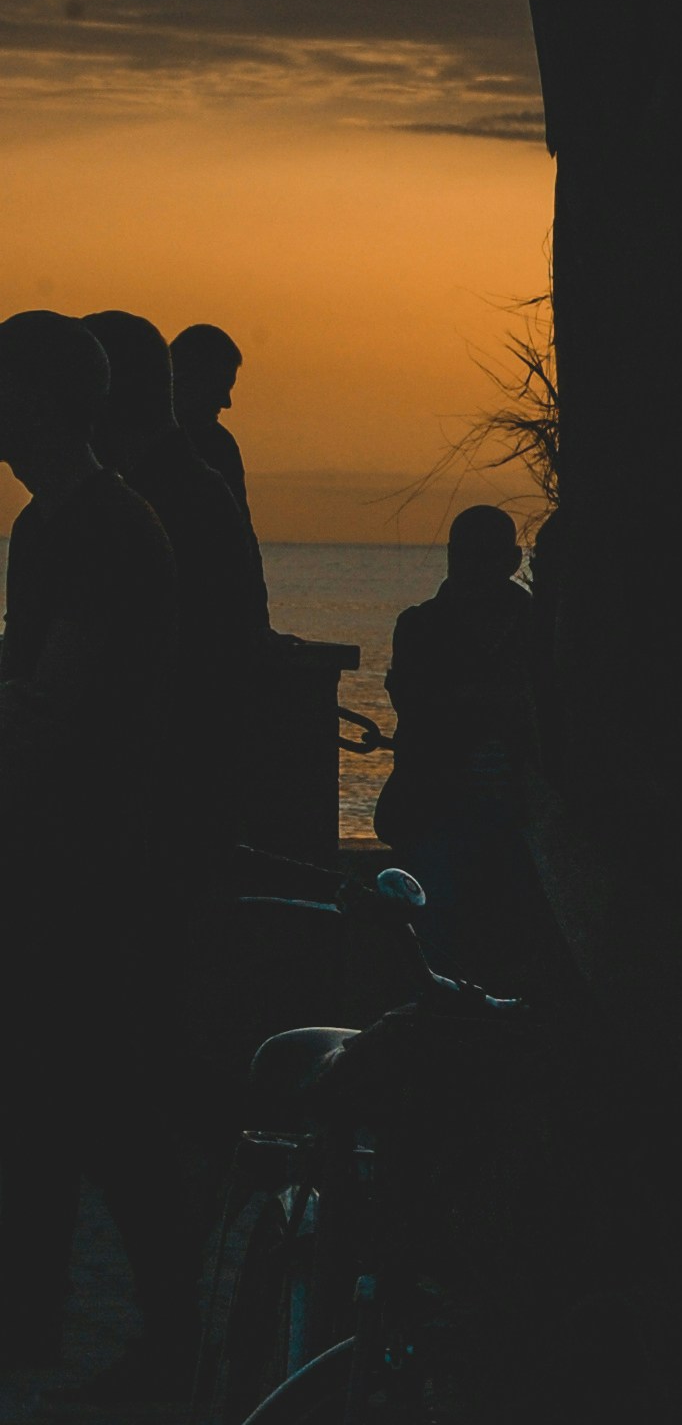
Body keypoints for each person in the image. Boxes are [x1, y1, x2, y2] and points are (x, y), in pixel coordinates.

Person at [0, 312, 202, 1388]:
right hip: (60, 865)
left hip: (88, 870)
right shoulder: (53, 527)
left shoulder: (101, 531)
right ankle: (98, 1338)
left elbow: (49, 707)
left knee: (93, 1112)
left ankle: (174, 1339)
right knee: (67, 1111)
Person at [80, 311, 271, 877]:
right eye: (221, 387)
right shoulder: (188, 467)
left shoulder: (178, 472)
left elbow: (242, 548)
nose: (227, 403)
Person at [378, 506, 548, 991]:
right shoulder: (535, 627)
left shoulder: (423, 628)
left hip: (510, 816)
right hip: (449, 813)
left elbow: (424, 710)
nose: (473, 567)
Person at [167, 322, 248, 511]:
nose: (226, 402)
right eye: (220, 388)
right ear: (187, 380)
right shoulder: (220, 447)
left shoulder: (222, 446)